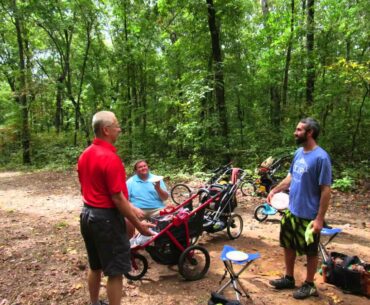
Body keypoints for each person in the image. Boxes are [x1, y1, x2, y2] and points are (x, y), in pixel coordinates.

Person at [78, 111, 154, 305]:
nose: (119, 129)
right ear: (106, 130)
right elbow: (117, 198)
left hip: (87, 216)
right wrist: (138, 225)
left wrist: (132, 207)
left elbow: (99, 190)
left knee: (95, 266)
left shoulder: (85, 155)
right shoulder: (111, 158)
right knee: (116, 272)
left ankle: (94, 303)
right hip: (106, 220)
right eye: (117, 125)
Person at [267, 117, 332, 300]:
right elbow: (290, 177)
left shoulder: (321, 157)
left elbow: (326, 190)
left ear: (309, 132)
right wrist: (276, 189)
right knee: (288, 245)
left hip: (309, 215)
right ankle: (289, 277)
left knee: (311, 251)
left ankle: (309, 284)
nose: (295, 133)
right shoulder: (298, 152)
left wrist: (319, 219)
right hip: (292, 210)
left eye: (298, 130)